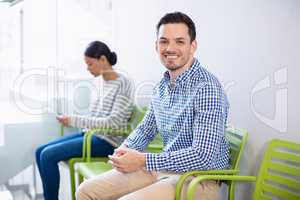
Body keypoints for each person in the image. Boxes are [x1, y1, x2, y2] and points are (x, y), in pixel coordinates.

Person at [76, 12, 230, 200]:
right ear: (156, 46)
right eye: (164, 41)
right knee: (86, 191)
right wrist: (124, 151)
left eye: (179, 41)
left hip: (199, 180)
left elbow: (202, 156)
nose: (170, 48)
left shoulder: (207, 88)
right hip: (163, 168)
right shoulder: (161, 87)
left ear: (193, 46)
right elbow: (145, 129)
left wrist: (143, 159)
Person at [35, 41, 134, 200]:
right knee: (39, 151)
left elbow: (113, 123)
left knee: (47, 155)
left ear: (102, 59)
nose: (88, 69)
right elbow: (95, 117)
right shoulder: (99, 82)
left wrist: (74, 120)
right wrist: (72, 120)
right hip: (91, 135)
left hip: (108, 141)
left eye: (90, 64)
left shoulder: (123, 83)